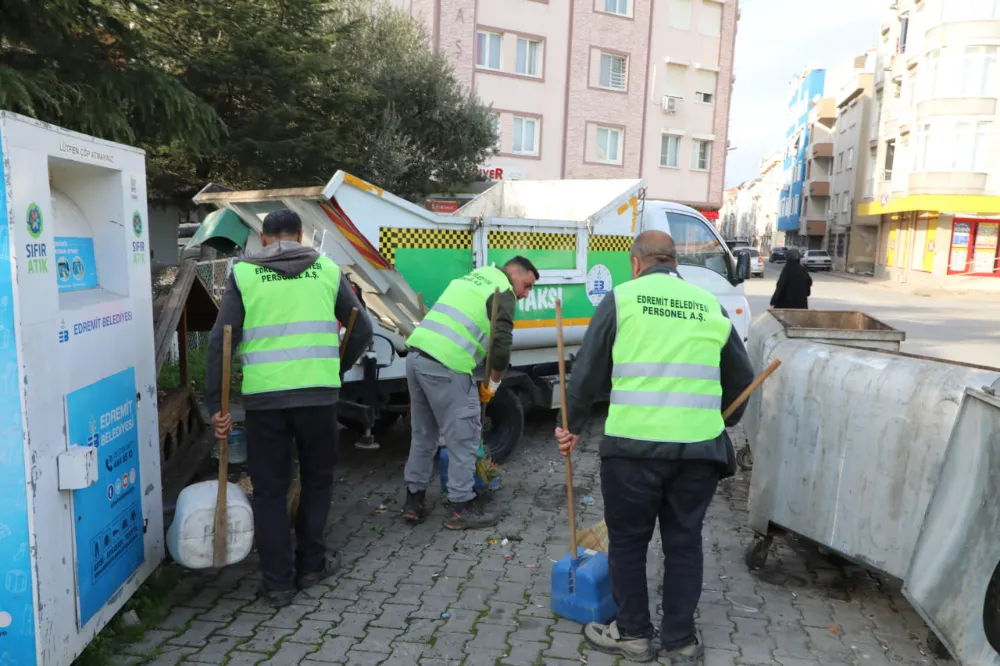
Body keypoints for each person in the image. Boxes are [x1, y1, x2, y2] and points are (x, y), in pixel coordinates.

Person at [554, 231, 754, 663]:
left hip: (632, 452)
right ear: (675, 262)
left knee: (628, 543)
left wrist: (570, 427)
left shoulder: (622, 299)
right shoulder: (709, 305)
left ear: (635, 263)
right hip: (697, 453)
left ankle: (633, 635)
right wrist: (721, 420)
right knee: (684, 542)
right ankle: (680, 640)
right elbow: (742, 379)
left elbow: (586, 374)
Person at [205, 208, 372, 608]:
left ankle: (278, 583)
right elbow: (362, 327)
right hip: (318, 397)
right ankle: (311, 564)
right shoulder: (327, 269)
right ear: (300, 236)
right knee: (317, 480)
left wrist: (215, 404)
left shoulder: (244, 274)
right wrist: (336, 368)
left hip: (266, 402)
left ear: (263, 238)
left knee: (269, 491)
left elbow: (220, 341)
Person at [402, 257, 538, 529]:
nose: (526, 294)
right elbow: (501, 349)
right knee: (464, 438)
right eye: (527, 285)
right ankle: (460, 508)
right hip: (447, 365)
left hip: (416, 357)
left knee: (424, 435)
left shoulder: (476, 276)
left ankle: (413, 502)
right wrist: (493, 385)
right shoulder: (503, 292)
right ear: (513, 273)